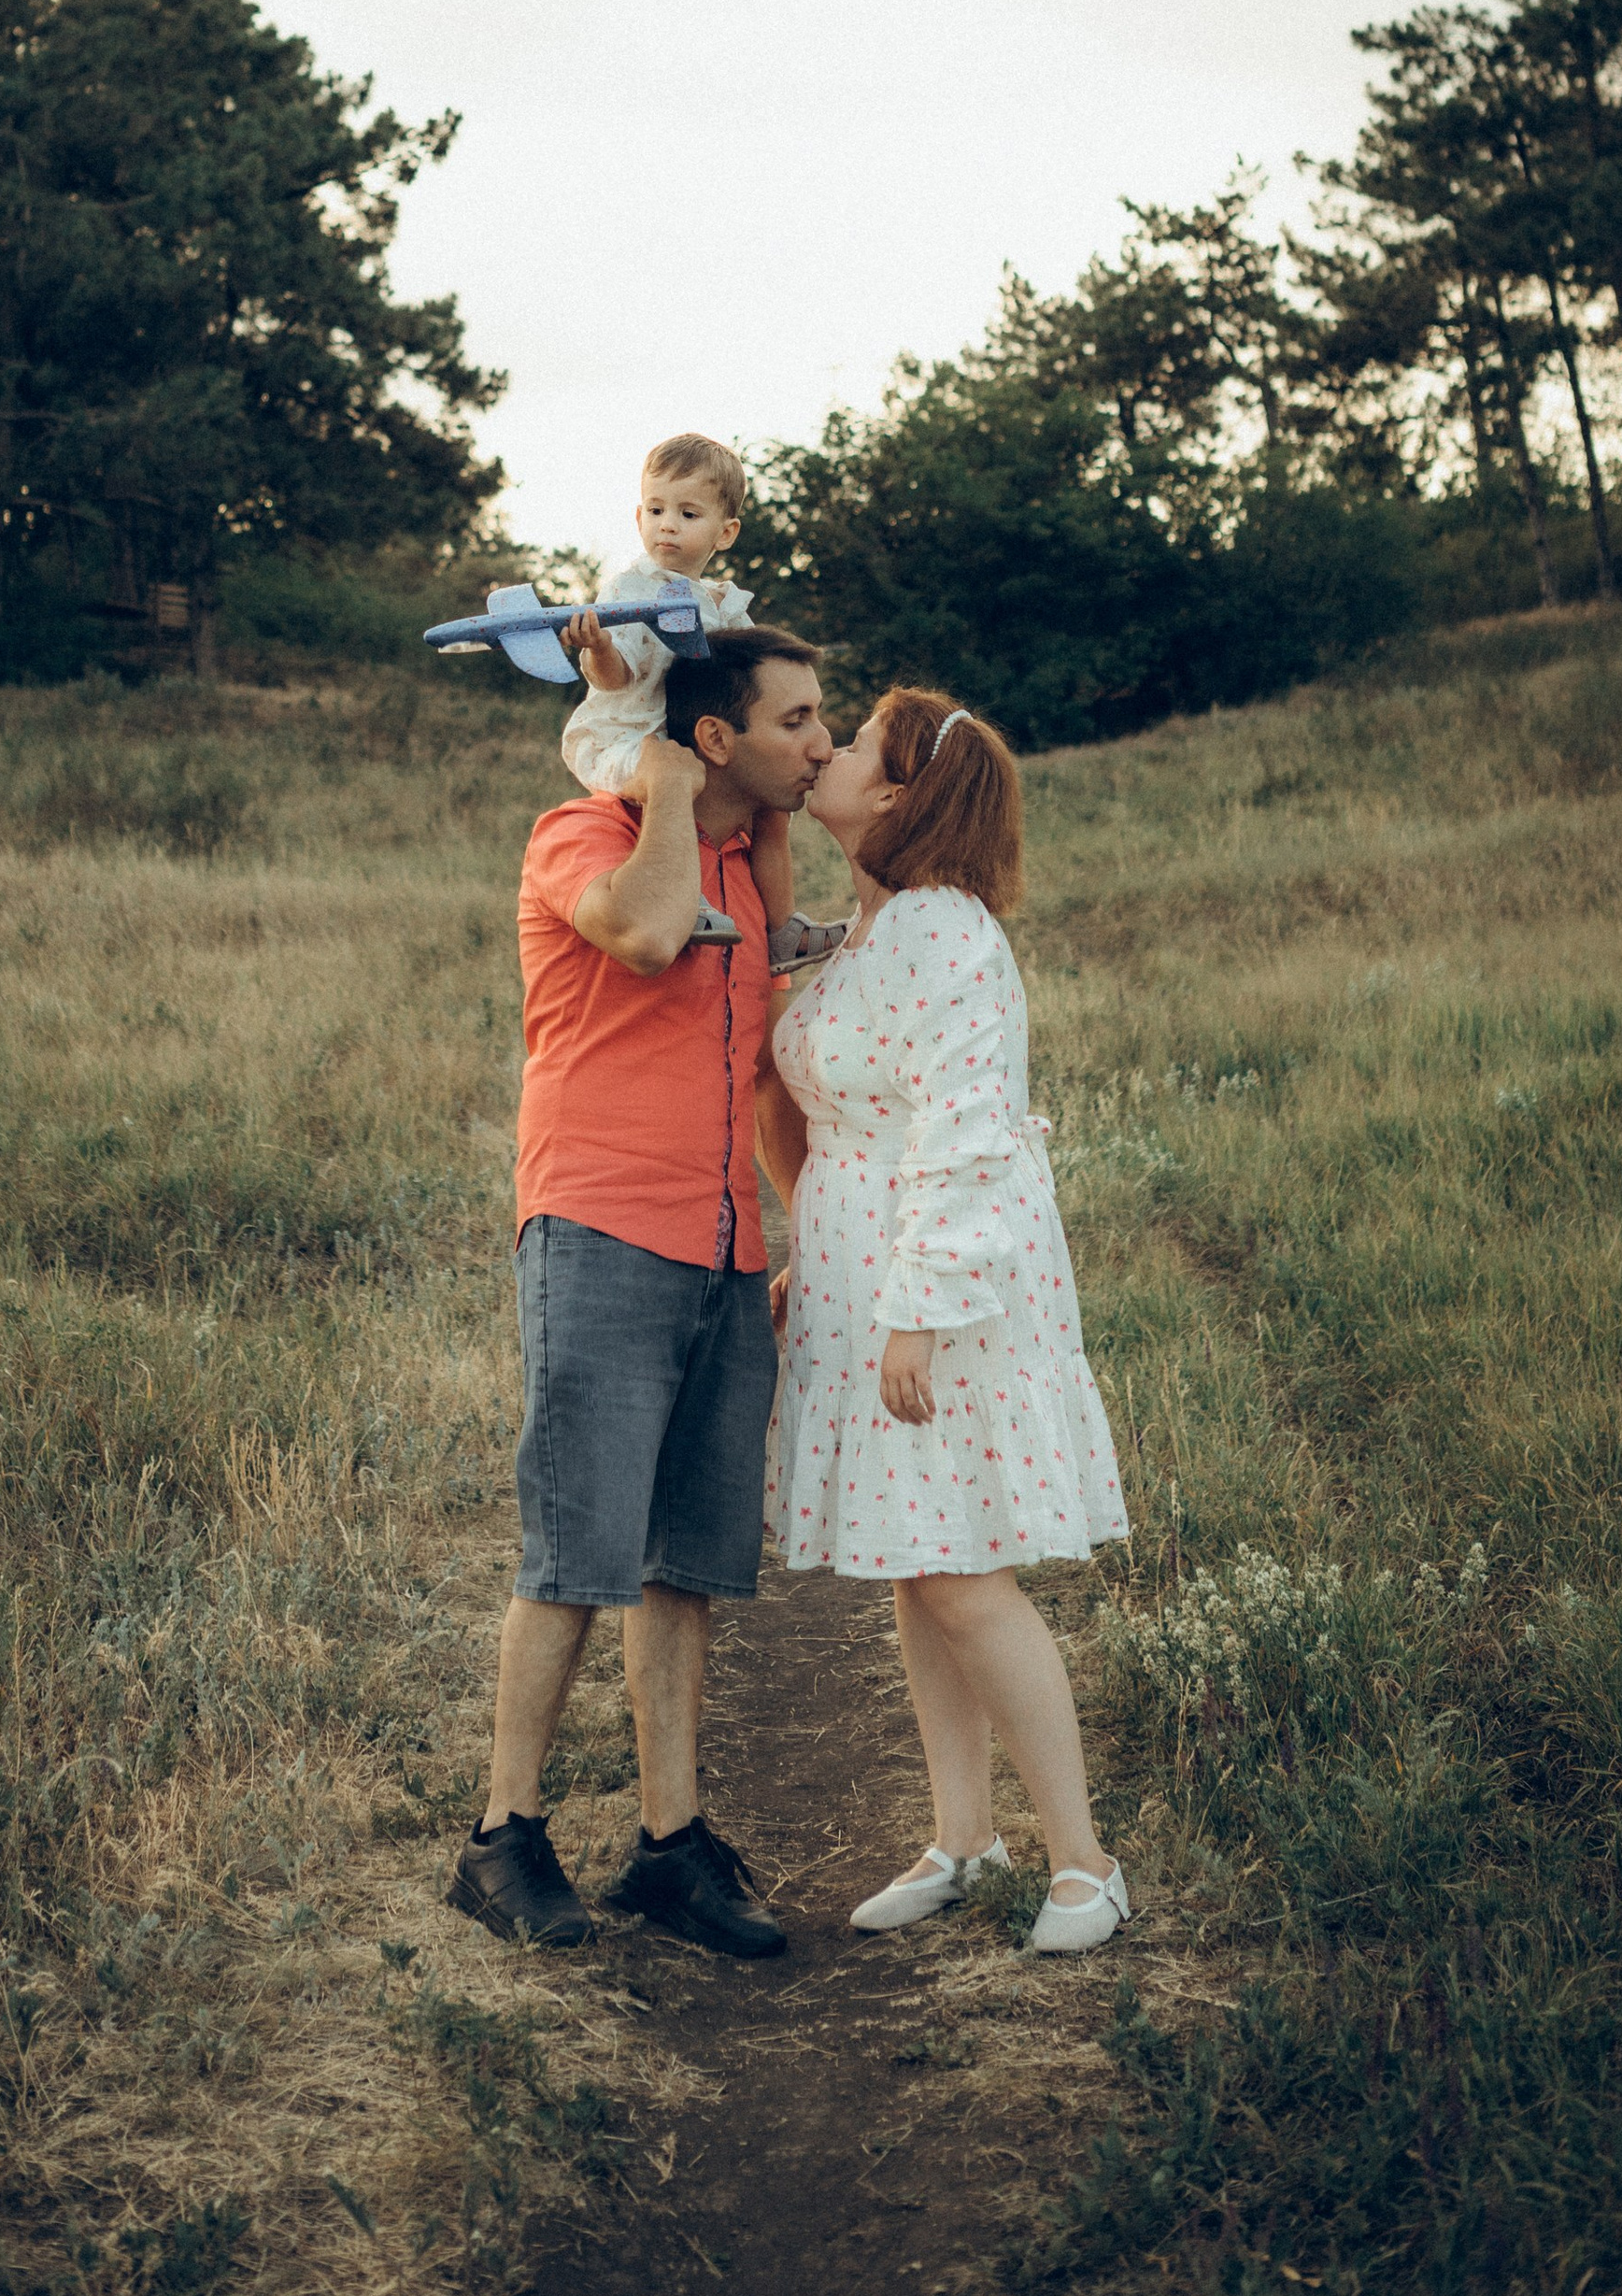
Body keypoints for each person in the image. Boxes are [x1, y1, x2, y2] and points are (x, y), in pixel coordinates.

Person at [449, 625, 833, 1958]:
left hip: (721, 1245)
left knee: (685, 1566)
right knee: (575, 1555)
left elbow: (781, 1061)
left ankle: (670, 1847)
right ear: (714, 737)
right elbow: (649, 933)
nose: (819, 745)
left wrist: (794, 1238)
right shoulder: (581, 836)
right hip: (601, 1229)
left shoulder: (752, 865)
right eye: (796, 721)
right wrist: (665, 789)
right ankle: (504, 1837)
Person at [761, 687, 1132, 1954]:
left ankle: (1085, 1860)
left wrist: (913, 1312)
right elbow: (848, 1122)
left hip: (947, 1288)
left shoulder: (943, 933)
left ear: (906, 796)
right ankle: (964, 1840)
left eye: (858, 744)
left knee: (965, 1574)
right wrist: (818, 1259)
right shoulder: (872, 929)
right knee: (921, 1570)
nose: (833, 752)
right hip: (870, 1272)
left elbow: (964, 1137)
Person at [559, 432, 845, 977]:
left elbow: (750, 679)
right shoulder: (628, 590)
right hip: (628, 737)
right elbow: (614, 678)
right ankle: (684, 901)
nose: (667, 524)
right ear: (638, 515)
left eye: (688, 514)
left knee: (773, 814)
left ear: (726, 531)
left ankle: (781, 930)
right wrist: (596, 645)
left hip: (696, 735)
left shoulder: (725, 606)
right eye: (655, 509)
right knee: (673, 783)